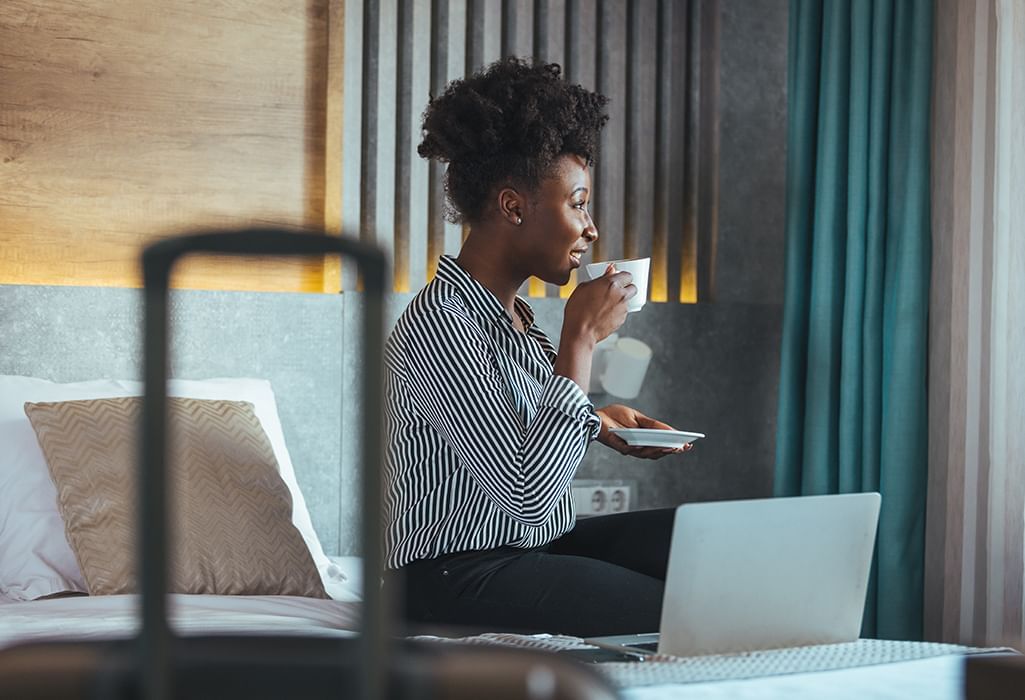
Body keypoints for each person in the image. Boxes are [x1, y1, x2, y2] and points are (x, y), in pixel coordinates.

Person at [382, 57, 690, 638]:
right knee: (683, 607)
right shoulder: (438, 323)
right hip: (450, 574)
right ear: (513, 206)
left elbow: (517, 434)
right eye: (577, 203)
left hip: (531, 549)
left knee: (704, 545)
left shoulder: (517, 321)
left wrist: (597, 421)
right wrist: (580, 336)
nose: (592, 227)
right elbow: (525, 497)